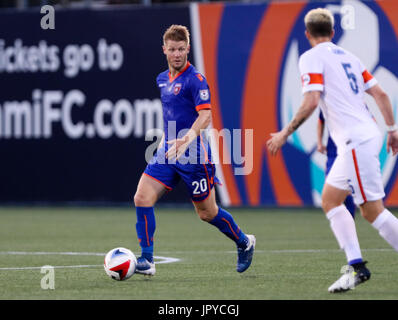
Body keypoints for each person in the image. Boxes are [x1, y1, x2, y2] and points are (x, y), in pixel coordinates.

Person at [267, 8, 398, 293]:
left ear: (307, 34)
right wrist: (392, 129)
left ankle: (357, 267)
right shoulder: (349, 57)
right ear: (333, 32)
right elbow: (381, 94)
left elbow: (312, 100)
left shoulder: (311, 57)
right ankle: (357, 266)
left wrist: (284, 133)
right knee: (330, 200)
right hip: (363, 137)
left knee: (373, 211)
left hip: (354, 141)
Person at [133, 25, 255, 276]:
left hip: (193, 154)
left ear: (188, 49)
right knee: (142, 198)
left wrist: (186, 139)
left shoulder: (195, 79)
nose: (177, 54)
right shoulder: (162, 79)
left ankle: (244, 241)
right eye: (172, 49)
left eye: (181, 49)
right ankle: (147, 260)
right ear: (164, 50)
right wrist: (170, 140)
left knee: (207, 213)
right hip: (168, 150)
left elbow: (206, 116)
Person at [317, 110, 356, 218]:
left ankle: (349, 225)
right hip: (333, 152)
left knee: (347, 192)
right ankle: (346, 229)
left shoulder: (355, 102)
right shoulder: (327, 101)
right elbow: (321, 120)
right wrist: (319, 142)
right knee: (330, 192)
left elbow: (370, 121)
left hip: (349, 151)